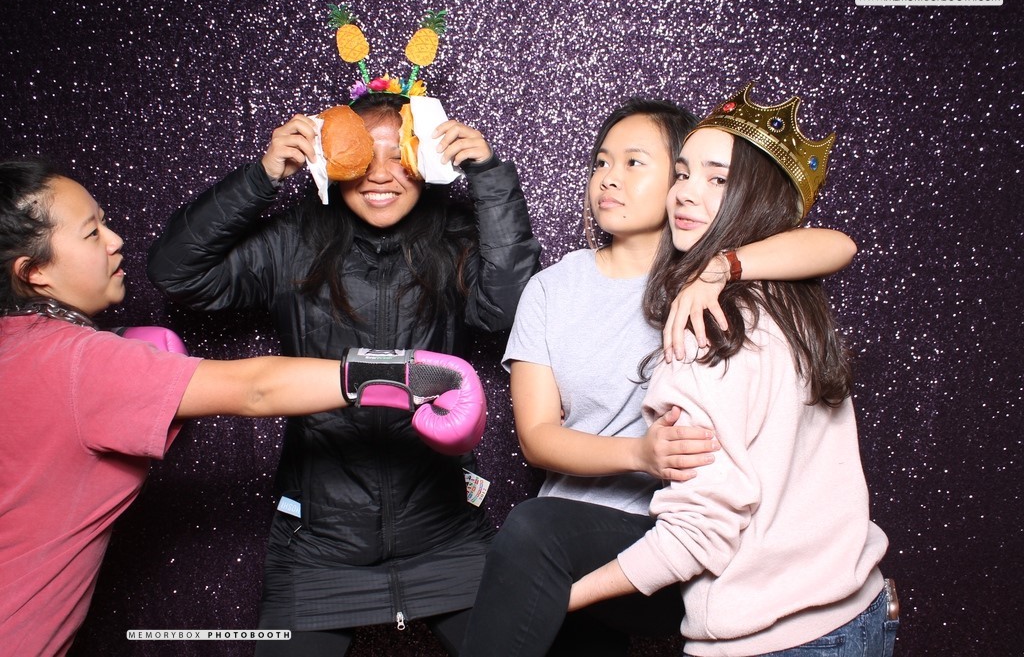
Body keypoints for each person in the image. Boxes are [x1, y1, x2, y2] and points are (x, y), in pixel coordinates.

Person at [0, 159, 484, 657]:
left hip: (441, 530)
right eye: (91, 232)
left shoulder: (26, 353)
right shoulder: (83, 364)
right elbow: (257, 389)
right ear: (33, 271)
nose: (116, 239)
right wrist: (409, 374)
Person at [145, 89, 541, 655]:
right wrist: (262, 176)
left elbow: (510, 309)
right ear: (331, 161)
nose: (380, 175)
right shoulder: (293, 242)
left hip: (446, 531)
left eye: (399, 157)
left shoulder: (453, 240)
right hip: (318, 543)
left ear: (428, 162)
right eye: (362, 156)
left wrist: (489, 177)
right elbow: (176, 273)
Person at [460, 98, 859, 657]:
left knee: (535, 538)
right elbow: (537, 435)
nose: (609, 178)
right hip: (571, 533)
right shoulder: (552, 290)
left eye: (634, 163)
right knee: (539, 546)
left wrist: (719, 269)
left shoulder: (707, 285)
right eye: (601, 163)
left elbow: (836, 244)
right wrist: (641, 454)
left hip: (677, 534)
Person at [567, 85, 897, 656]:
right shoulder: (793, 304)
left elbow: (695, 536)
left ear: (754, 198)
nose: (685, 192)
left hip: (775, 641)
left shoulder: (706, 332)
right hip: (860, 615)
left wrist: (560, 598)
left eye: (717, 179)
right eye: (682, 173)